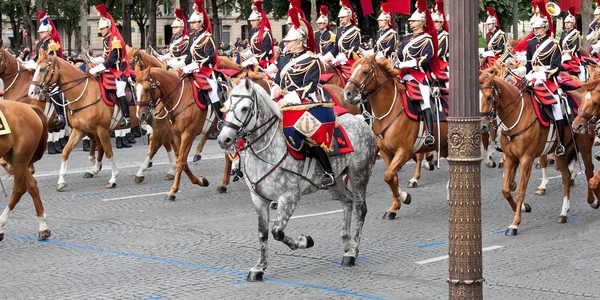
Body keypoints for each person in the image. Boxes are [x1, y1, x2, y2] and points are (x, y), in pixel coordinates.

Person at [272, 7, 334, 188]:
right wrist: (275, 89)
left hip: (303, 102)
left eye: (289, 42)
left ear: (299, 42)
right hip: (282, 100)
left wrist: (288, 98)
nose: (286, 44)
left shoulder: (311, 60)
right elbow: (277, 80)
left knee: (307, 131)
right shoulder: (284, 59)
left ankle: (327, 171)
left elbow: (309, 86)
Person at [515, 1, 565, 156]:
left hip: (547, 80)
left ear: (545, 28)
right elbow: (529, 66)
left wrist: (542, 73)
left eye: (538, 28)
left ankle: (561, 142)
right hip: (532, 78)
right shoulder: (530, 44)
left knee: (556, 104)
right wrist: (518, 70)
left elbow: (556, 67)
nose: (535, 31)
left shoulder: (553, 45)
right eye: (534, 28)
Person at [89, 4, 134, 148]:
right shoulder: (107, 39)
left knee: (120, 90)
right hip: (109, 71)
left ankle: (126, 117)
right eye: (100, 28)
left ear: (108, 27)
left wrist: (97, 68)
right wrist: (94, 61)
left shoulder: (115, 40)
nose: (100, 31)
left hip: (119, 71)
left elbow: (111, 60)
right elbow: (104, 57)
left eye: (102, 28)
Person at [396, 0, 439, 147]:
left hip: (419, 76)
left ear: (421, 22)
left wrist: (407, 63)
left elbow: (427, 58)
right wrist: (396, 61)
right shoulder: (406, 39)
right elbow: (400, 55)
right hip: (404, 75)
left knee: (425, 99)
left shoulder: (427, 39)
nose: (411, 23)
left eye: (413, 21)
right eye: (411, 21)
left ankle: (429, 133)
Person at [181, 0, 222, 118]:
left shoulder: (207, 37)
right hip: (193, 68)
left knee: (212, 91)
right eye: (191, 22)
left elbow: (210, 57)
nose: (192, 24)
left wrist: (196, 65)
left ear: (201, 22)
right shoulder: (192, 36)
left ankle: (219, 118)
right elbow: (189, 55)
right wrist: (184, 65)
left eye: (194, 22)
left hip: (206, 70)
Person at [560, 7, 585, 81]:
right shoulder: (563, 33)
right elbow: (560, 43)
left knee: (580, 68)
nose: (566, 24)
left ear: (573, 23)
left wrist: (567, 52)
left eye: (568, 23)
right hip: (563, 53)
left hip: (572, 54)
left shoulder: (576, 33)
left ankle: (582, 79)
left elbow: (575, 47)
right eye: (565, 23)